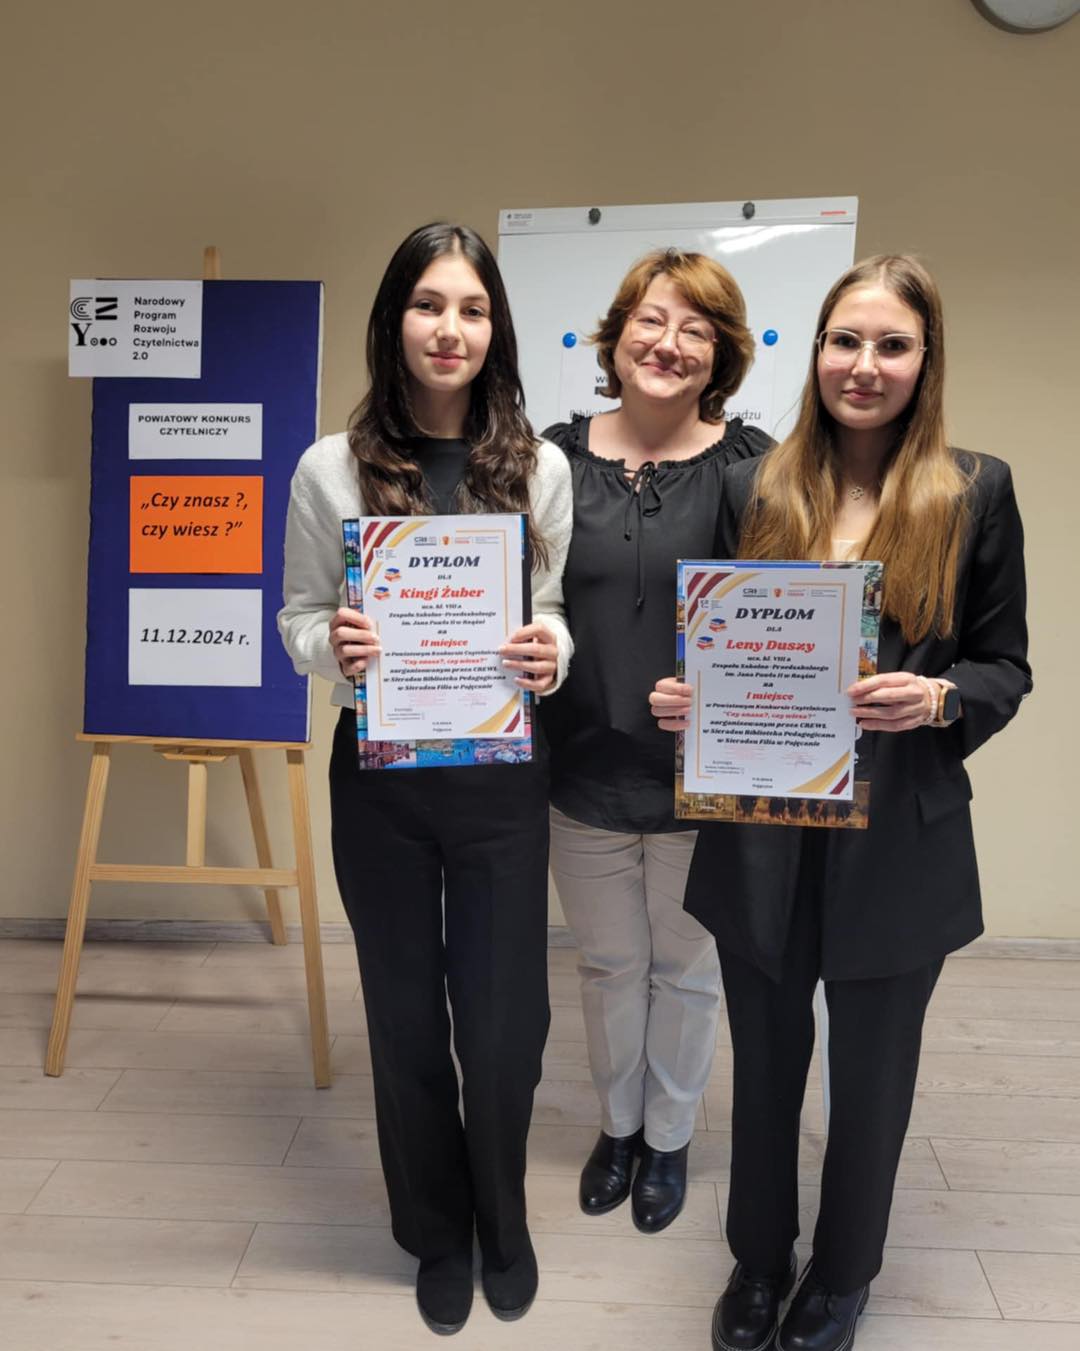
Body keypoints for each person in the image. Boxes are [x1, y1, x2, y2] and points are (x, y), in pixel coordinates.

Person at [650, 254, 1031, 1351]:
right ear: (814, 352)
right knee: (765, 1070)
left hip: (899, 839)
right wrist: (687, 699)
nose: (864, 365)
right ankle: (758, 1260)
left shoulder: (975, 490)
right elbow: (713, 648)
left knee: (872, 1079)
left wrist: (941, 695)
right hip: (762, 838)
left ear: (926, 360)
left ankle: (844, 1273)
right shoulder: (753, 487)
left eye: (892, 344)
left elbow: (1006, 665)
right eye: (844, 340)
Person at [278, 223, 573, 1336]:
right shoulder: (328, 467)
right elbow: (299, 617)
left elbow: (553, 611)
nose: (451, 329)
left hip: (500, 773)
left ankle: (504, 1215)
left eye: (473, 309)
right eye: (428, 304)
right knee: (404, 1015)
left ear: (496, 328)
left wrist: (553, 651)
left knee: (505, 1022)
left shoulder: (539, 467)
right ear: (393, 320)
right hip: (383, 777)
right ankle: (436, 1230)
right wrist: (333, 647)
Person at [539, 249, 772, 1234]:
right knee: (606, 965)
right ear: (617, 333)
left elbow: (779, 624)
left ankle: (669, 1138)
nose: (669, 344)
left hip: (702, 780)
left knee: (684, 969)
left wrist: (725, 686)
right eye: (651, 320)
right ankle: (619, 1127)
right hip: (580, 770)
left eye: (696, 328)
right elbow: (521, 596)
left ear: (722, 353)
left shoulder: (753, 468)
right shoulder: (550, 459)